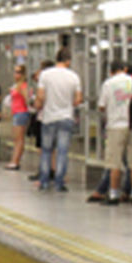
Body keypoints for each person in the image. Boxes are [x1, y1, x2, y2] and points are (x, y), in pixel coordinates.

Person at [36, 47, 82, 191]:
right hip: (66, 117)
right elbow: (78, 100)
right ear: (68, 61)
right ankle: (59, 182)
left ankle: (44, 181)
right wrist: (68, 103)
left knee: (46, 150)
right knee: (62, 151)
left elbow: (40, 96)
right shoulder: (74, 77)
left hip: (48, 117)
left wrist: (40, 105)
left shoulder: (45, 75)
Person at [97, 60, 132, 204]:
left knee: (114, 163)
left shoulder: (108, 84)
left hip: (115, 126)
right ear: (125, 69)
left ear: (111, 71)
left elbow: (101, 106)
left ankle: (114, 194)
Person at [6, 64, 33, 170]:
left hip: (21, 112)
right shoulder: (16, 85)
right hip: (16, 112)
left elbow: (27, 100)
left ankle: (16, 161)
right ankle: (14, 160)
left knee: (19, 139)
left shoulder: (23, 86)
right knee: (16, 138)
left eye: (18, 72)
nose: (16, 74)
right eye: (15, 72)